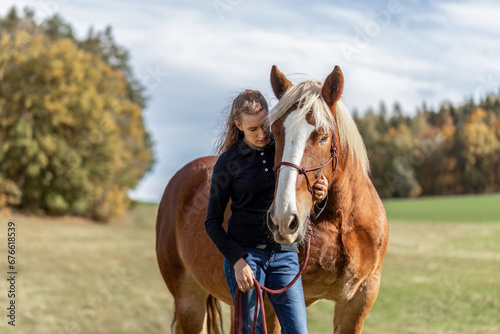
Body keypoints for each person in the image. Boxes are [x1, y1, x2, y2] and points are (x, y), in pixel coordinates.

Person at [205, 90, 328, 333]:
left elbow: (299, 200)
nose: (262, 135)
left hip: (285, 256)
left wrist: (319, 197)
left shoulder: (281, 149)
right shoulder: (227, 163)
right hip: (247, 257)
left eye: (265, 126)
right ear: (238, 125)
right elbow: (212, 223)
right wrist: (237, 262)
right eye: (253, 129)